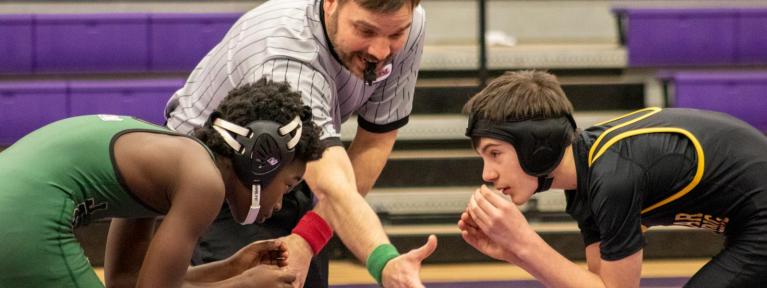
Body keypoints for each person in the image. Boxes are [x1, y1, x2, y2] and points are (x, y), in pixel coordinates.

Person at [164, 0, 436, 287]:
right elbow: (333, 187)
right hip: (219, 178)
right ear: (331, 3)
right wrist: (386, 263)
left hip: (289, 169)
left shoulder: (409, 22)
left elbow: (374, 142)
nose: (380, 51)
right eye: (365, 30)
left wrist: (307, 239)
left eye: (395, 35)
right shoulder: (288, 57)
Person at [0, 79, 325, 287]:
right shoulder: (204, 184)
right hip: (25, 220)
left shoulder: (169, 165)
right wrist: (245, 285)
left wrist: (231, 268)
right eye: (288, 185)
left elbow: (127, 281)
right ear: (261, 159)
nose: (282, 204)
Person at [459, 70, 767, 287]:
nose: (487, 174)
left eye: (494, 153)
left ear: (536, 145)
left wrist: (524, 243)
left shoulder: (613, 176)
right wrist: (516, 251)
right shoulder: (586, 179)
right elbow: (599, 283)